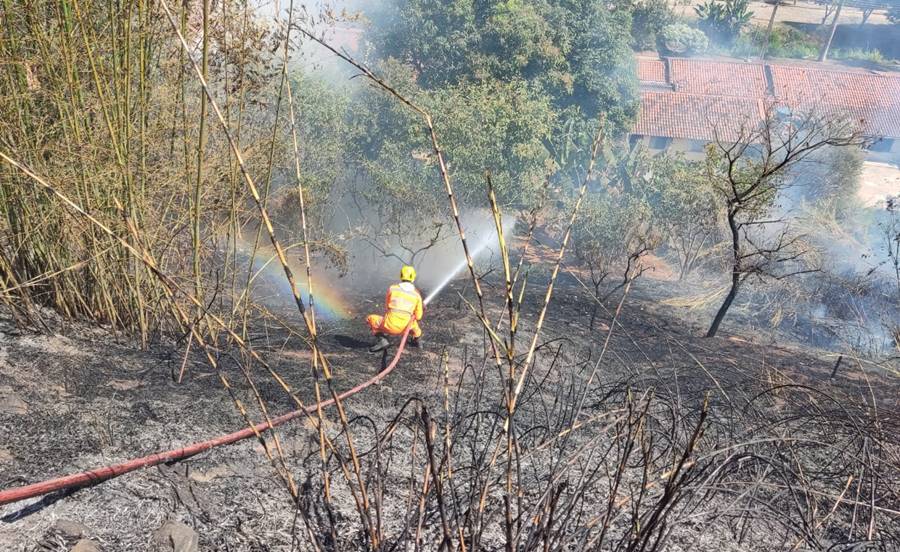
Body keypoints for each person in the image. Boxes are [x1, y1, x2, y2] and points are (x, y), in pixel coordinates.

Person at [366, 265, 424, 353]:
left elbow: (387, 307)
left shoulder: (392, 288)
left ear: (401, 275)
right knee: (414, 324)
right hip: (406, 328)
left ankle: (382, 340)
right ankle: (418, 341)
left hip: (389, 325)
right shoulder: (416, 294)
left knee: (370, 318)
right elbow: (418, 316)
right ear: (413, 277)